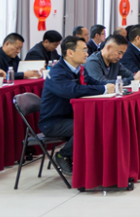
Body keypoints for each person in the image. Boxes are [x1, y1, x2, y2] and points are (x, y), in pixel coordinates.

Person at [38, 36, 114, 175]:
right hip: (53, 121)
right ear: (70, 52)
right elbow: (72, 91)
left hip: (71, 116)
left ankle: (94, 164)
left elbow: (94, 83)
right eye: (83, 50)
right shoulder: (57, 73)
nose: (87, 54)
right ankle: (63, 155)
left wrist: (114, 85)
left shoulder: (79, 69)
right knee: (88, 126)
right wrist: (103, 89)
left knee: (99, 122)